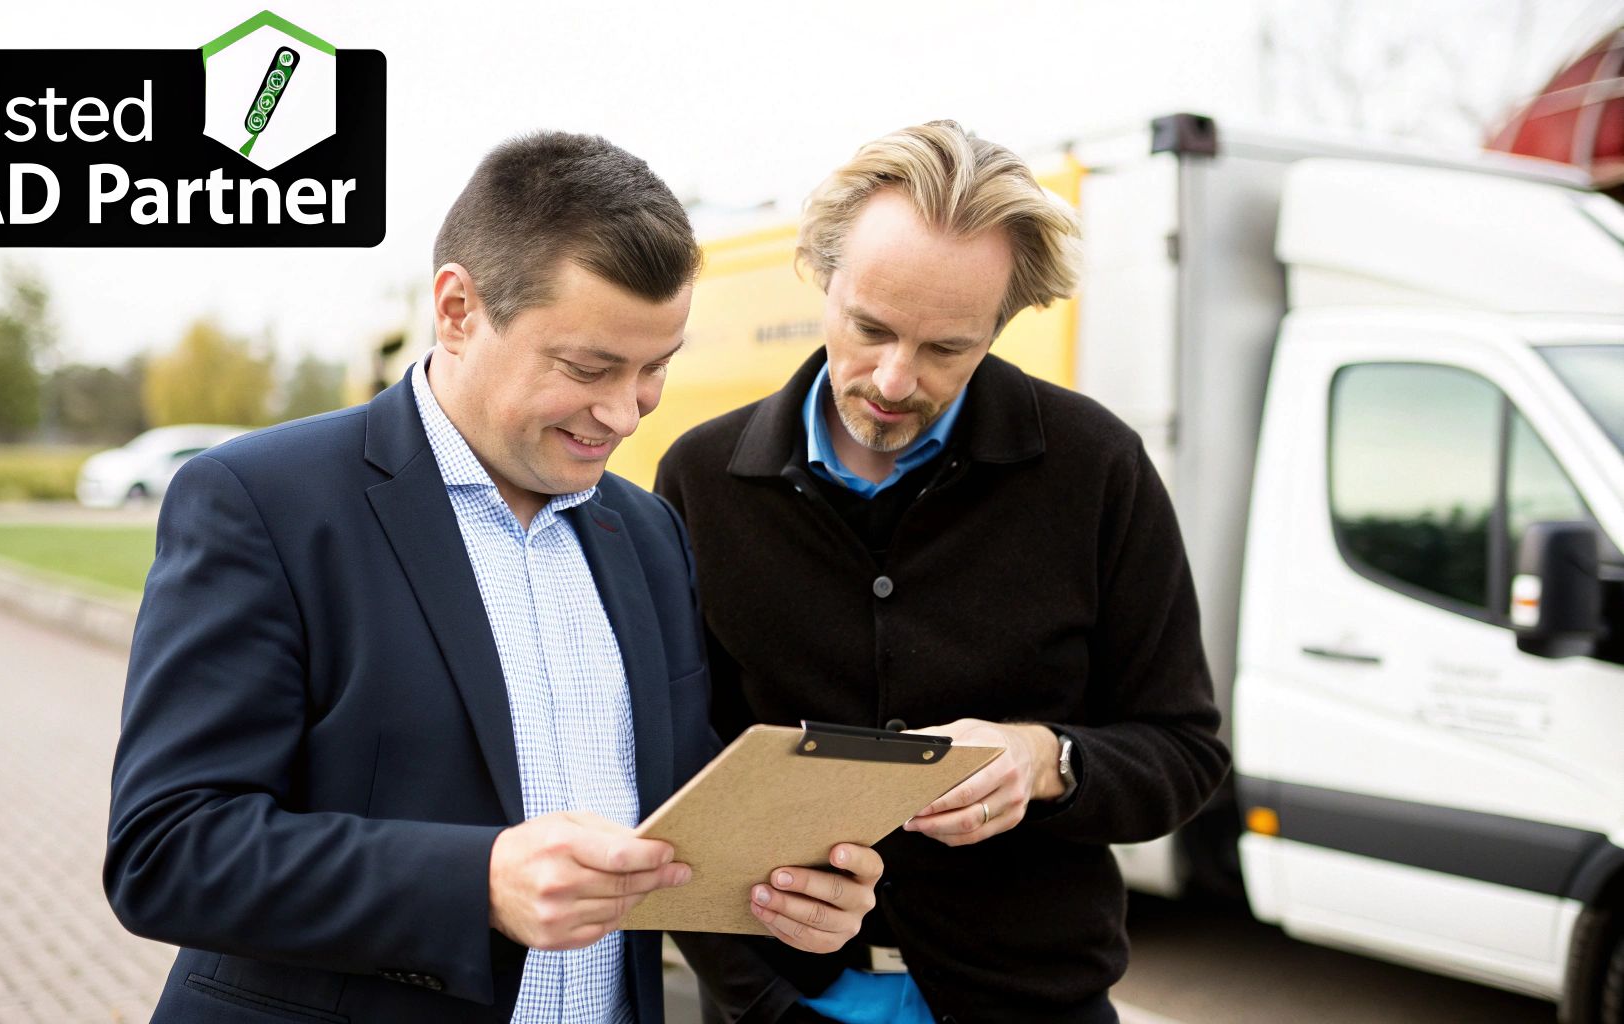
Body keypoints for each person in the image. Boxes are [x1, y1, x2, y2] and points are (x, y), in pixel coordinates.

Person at [105, 131, 882, 1024]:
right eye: (588, 368)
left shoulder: (649, 532)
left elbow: (669, 814)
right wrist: (476, 882)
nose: (624, 411)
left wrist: (785, 896)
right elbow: (166, 851)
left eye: (655, 369)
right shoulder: (260, 502)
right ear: (458, 309)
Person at [654, 121, 1231, 1024]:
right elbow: (671, 770)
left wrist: (1049, 759)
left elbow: (1187, 753)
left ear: (1002, 324)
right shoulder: (698, 477)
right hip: (785, 1005)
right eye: (870, 328)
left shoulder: (1099, 469)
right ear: (821, 274)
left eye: (946, 349)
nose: (893, 379)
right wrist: (758, 1003)